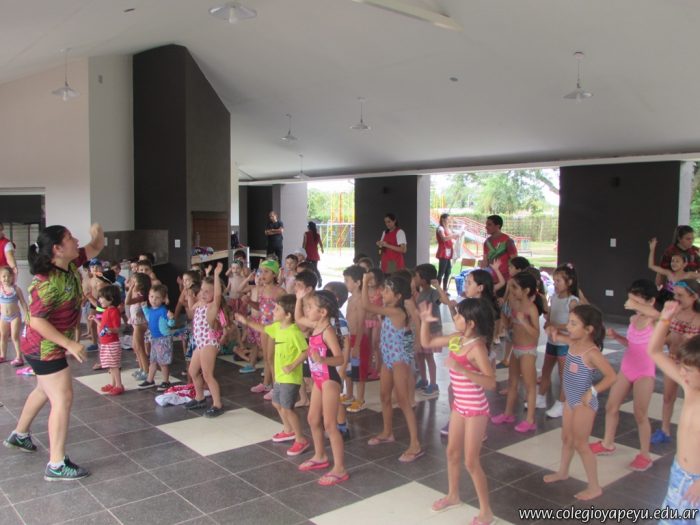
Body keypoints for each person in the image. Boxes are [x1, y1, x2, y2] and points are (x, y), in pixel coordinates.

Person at [4, 223, 104, 481]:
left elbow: (95, 247)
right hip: (43, 347)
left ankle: (20, 435)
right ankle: (57, 464)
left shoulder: (70, 262)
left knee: (43, 389)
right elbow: (37, 320)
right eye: (70, 238)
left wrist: (97, 232)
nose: (76, 240)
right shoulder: (46, 283)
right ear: (57, 249)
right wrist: (69, 344)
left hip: (44, 345)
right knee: (62, 398)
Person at [420, 298, 496, 523]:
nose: (455, 317)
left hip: (475, 409)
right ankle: (453, 495)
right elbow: (427, 342)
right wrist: (424, 322)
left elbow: (491, 382)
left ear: (471, 323)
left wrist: (462, 369)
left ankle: (486, 511)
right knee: (452, 452)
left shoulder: (477, 348)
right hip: (459, 406)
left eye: (459, 315)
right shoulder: (458, 339)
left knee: (471, 461)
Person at [543, 305, 616, 500]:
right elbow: (556, 336)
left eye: (573, 324)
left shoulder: (592, 353)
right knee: (567, 439)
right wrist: (552, 330)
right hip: (570, 401)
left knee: (581, 444)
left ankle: (594, 486)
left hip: (584, 405)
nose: (569, 326)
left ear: (589, 329)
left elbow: (611, 376)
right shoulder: (573, 342)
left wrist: (593, 391)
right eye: (569, 322)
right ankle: (563, 472)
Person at [590, 279, 657, 472]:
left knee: (640, 414)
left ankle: (645, 455)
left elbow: (659, 315)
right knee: (611, 406)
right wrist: (618, 337)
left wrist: (639, 306)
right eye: (631, 300)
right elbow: (633, 345)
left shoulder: (655, 321)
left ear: (651, 301)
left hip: (645, 372)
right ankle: (607, 443)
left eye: (637, 301)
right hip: (627, 367)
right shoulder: (633, 319)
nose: (632, 305)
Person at [646, 300, 700, 524]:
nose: (682, 374)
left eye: (687, 370)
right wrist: (665, 319)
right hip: (680, 474)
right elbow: (654, 351)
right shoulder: (690, 388)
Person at [236, 295, 310, 456]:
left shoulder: (294, 332)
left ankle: (300, 439)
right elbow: (263, 328)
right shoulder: (277, 327)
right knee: (277, 403)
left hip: (290, 378)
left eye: (277, 309)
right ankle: (288, 430)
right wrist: (246, 321)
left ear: (288, 315)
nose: (273, 311)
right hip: (280, 377)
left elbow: (305, 351)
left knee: (288, 408)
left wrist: (292, 366)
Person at [361, 272, 423, 462]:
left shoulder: (397, 312)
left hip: (398, 360)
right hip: (388, 357)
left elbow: (366, 306)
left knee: (403, 401)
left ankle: (415, 444)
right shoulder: (389, 309)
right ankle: (387, 432)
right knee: (384, 396)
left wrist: (365, 281)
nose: (383, 292)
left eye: (387, 291)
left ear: (397, 296)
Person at [294, 290, 348, 486]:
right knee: (312, 418)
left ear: (323, 312)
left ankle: (340, 468)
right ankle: (320, 456)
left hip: (329, 380)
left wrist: (322, 360)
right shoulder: (315, 325)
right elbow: (298, 318)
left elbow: (340, 358)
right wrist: (299, 299)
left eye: (310, 307)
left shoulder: (328, 331)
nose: (306, 310)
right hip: (318, 379)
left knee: (330, 424)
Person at [491, 272, 543, 433]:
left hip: (528, 351)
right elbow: (509, 325)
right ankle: (508, 413)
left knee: (529, 385)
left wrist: (523, 322)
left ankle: (530, 420)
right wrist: (503, 316)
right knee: (512, 382)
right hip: (516, 348)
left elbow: (536, 334)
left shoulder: (532, 308)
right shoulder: (514, 303)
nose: (511, 290)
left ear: (526, 290)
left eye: (514, 287)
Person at [184, 263, 227, 417]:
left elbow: (217, 295)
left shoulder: (213, 306)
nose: (203, 293)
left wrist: (215, 275)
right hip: (200, 342)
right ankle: (200, 397)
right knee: (193, 371)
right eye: (202, 290)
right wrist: (190, 296)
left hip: (209, 342)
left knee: (208, 374)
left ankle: (217, 404)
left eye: (207, 291)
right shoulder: (201, 303)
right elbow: (191, 311)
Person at [538, 264, 580, 419]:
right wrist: (548, 322)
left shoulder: (572, 301)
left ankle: (562, 403)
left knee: (564, 375)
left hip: (564, 344)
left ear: (569, 282)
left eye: (558, 281)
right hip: (552, 341)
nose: (555, 284)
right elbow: (550, 316)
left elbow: (574, 324)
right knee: (545, 370)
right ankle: (540, 397)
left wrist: (555, 325)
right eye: (554, 281)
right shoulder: (555, 297)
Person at [341, 265, 369, 413]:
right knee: (348, 368)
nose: (345, 283)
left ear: (358, 283)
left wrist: (357, 345)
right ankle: (350, 395)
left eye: (347, 280)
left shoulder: (361, 301)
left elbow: (361, 323)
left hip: (359, 339)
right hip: (349, 338)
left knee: (359, 370)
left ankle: (360, 399)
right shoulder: (351, 298)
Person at [138, 284, 175, 391]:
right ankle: (150, 380)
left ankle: (166, 381)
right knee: (153, 361)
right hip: (155, 339)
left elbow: (171, 324)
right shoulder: (151, 310)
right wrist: (144, 307)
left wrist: (171, 318)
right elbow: (149, 318)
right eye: (151, 296)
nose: (153, 300)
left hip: (163, 339)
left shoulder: (163, 310)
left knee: (163, 362)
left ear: (163, 299)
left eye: (157, 297)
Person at [93, 285, 123, 395]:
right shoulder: (107, 311)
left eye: (102, 297)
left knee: (114, 365)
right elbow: (103, 326)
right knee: (111, 365)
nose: (99, 300)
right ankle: (113, 384)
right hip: (106, 343)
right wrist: (95, 320)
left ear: (111, 299)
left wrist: (111, 330)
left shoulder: (113, 311)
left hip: (111, 343)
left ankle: (119, 385)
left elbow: (117, 328)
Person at [656, 225, 700, 289]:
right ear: (679, 239)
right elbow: (661, 273)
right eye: (688, 239)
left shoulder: (695, 251)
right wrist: (659, 289)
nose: (691, 241)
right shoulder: (669, 252)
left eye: (693, 238)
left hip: (691, 287)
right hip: (674, 287)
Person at [0, 266, 28, 365]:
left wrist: (26, 314)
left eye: (9, 276)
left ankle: (19, 357)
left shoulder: (16, 289)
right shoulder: (0, 289)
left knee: (14, 336)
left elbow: (23, 302)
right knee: (3, 336)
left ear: (13, 277)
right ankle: (2, 355)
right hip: (3, 317)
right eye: (4, 276)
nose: (6, 278)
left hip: (15, 317)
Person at [481, 215, 518, 280]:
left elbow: (515, 261)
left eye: (489, 225)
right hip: (490, 279)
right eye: (486, 225)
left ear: (497, 226)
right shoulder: (487, 242)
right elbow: (485, 261)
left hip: (505, 279)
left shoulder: (508, 241)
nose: (486, 227)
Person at [435, 213, 459, 291]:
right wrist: (453, 236)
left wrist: (456, 237)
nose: (449, 221)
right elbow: (444, 238)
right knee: (441, 272)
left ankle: (445, 290)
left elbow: (450, 238)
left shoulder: (447, 228)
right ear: (443, 219)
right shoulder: (440, 228)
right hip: (443, 252)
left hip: (448, 252)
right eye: (448, 219)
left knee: (448, 271)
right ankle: (438, 291)